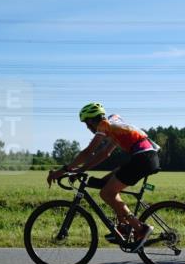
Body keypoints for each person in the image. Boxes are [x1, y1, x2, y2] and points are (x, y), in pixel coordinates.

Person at [47, 103, 159, 251]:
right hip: (144, 157)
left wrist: (64, 170)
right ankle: (124, 227)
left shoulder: (104, 125)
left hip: (142, 158)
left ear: (91, 121)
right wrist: (81, 170)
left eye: (87, 124)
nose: (88, 128)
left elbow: (88, 152)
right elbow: (105, 153)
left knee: (107, 193)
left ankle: (140, 228)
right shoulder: (113, 124)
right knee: (104, 184)